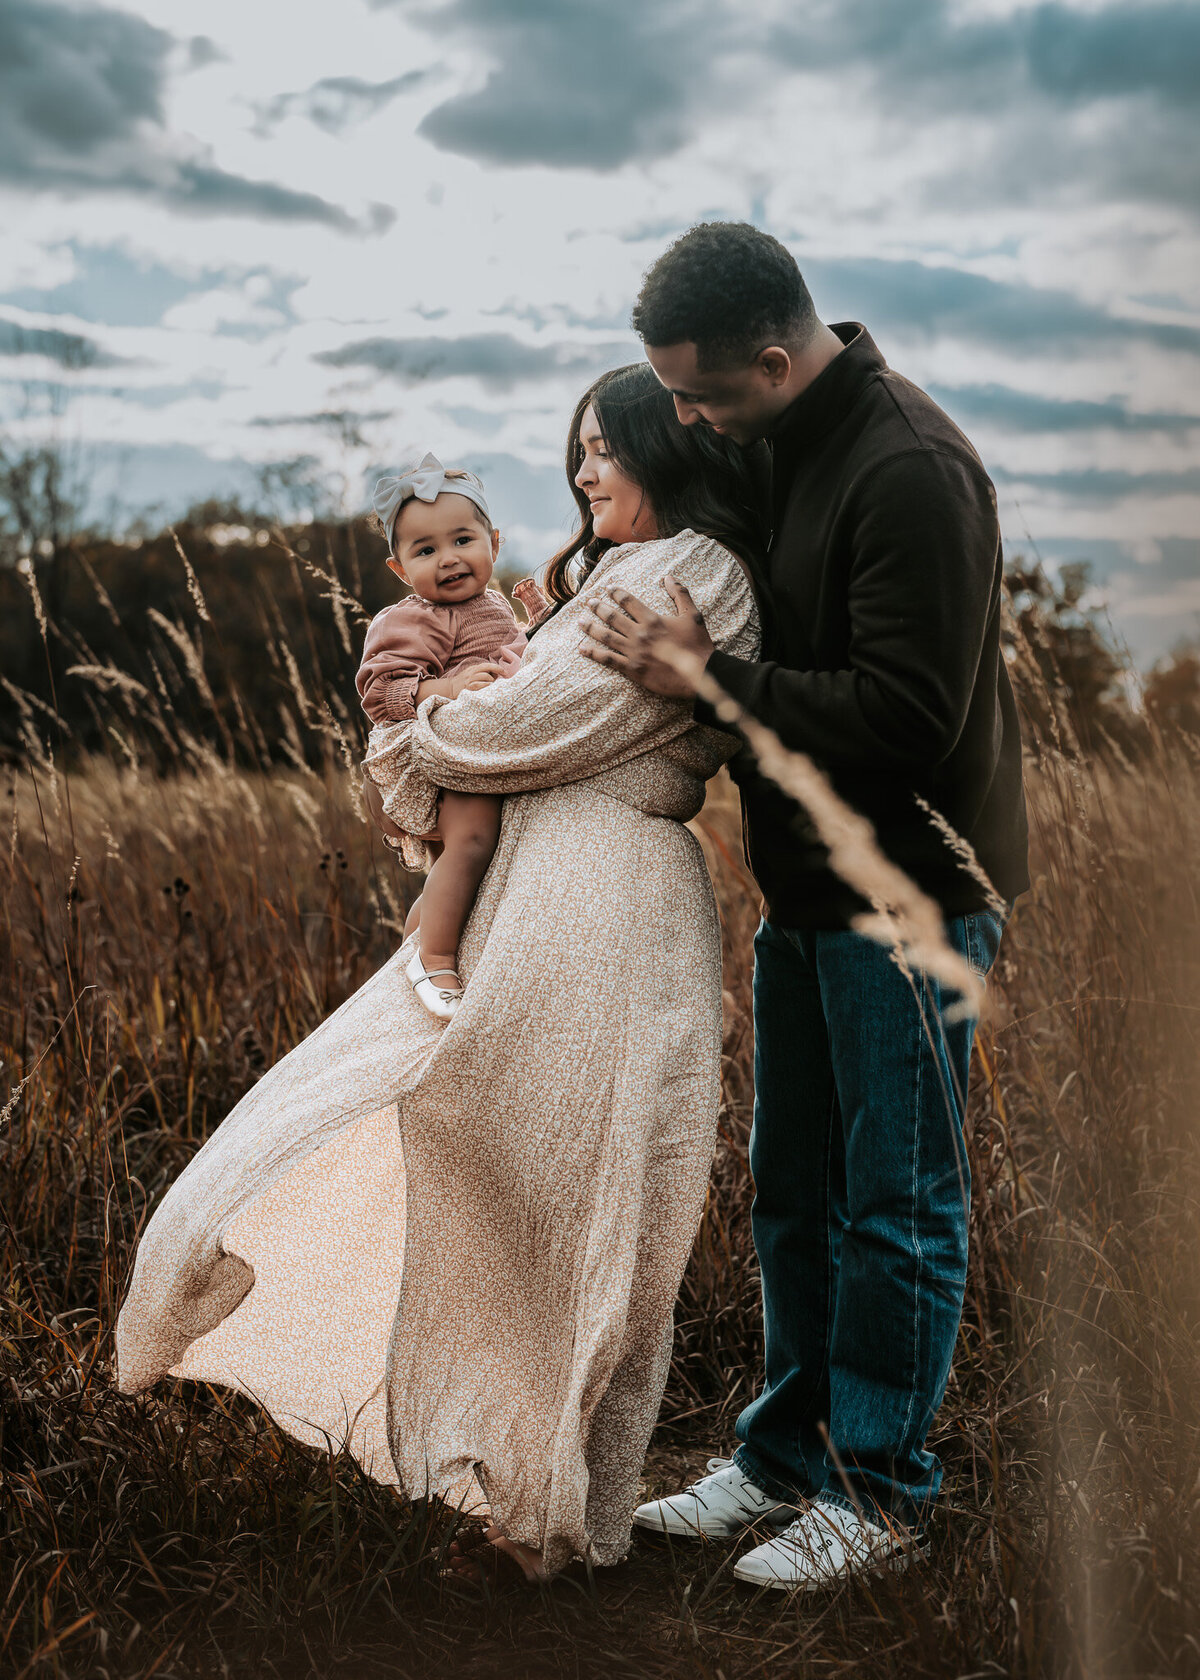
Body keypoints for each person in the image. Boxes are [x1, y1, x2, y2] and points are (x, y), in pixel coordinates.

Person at [112, 362, 766, 1588]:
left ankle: (540, 1516)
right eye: (576, 452)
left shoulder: (705, 570)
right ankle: (484, 1464)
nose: (582, 474)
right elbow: (505, 712)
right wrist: (443, 713)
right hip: (535, 894)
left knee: (581, 1191)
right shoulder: (597, 579)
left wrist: (426, 724)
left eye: (601, 451)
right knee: (447, 1143)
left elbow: (530, 727)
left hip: (607, 904)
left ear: (664, 451)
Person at [579, 222, 1030, 1591]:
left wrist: (701, 676)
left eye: (706, 397)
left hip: (910, 899)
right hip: (803, 894)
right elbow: (651, 482)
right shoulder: (770, 428)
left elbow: (904, 717)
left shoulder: (911, 472)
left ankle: (881, 1493)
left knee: (895, 1204)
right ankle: (782, 1461)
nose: (693, 423)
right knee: (795, 1193)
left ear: (775, 360)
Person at [356, 452, 547, 1022]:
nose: (448, 559)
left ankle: (419, 933)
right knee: (470, 839)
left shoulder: (491, 603)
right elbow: (379, 686)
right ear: (399, 569)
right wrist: (441, 686)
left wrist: (542, 616)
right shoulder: (412, 619)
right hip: (434, 756)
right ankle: (435, 957)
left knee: (459, 861)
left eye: (462, 540)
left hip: (477, 750)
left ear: (494, 540)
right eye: (425, 550)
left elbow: (518, 650)